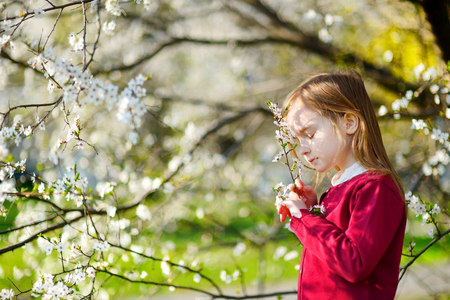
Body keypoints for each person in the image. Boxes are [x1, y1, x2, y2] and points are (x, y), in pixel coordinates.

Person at [277, 70, 407, 300]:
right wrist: (313, 210)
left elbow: (354, 263)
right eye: (298, 140)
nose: (303, 148)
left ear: (349, 122)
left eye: (310, 133)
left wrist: (305, 218)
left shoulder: (374, 188)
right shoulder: (341, 188)